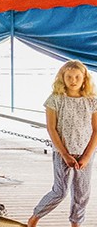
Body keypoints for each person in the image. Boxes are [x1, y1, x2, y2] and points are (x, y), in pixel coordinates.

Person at [28, 60, 97, 227]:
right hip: (62, 152)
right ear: (62, 78)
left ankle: (76, 223)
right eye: (69, 77)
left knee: (82, 193)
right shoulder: (55, 99)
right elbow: (51, 128)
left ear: (84, 79)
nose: (73, 80)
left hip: (85, 153)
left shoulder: (92, 101)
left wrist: (87, 156)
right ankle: (36, 216)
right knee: (60, 191)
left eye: (77, 77)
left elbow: (96, 129)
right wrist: (65, 154)